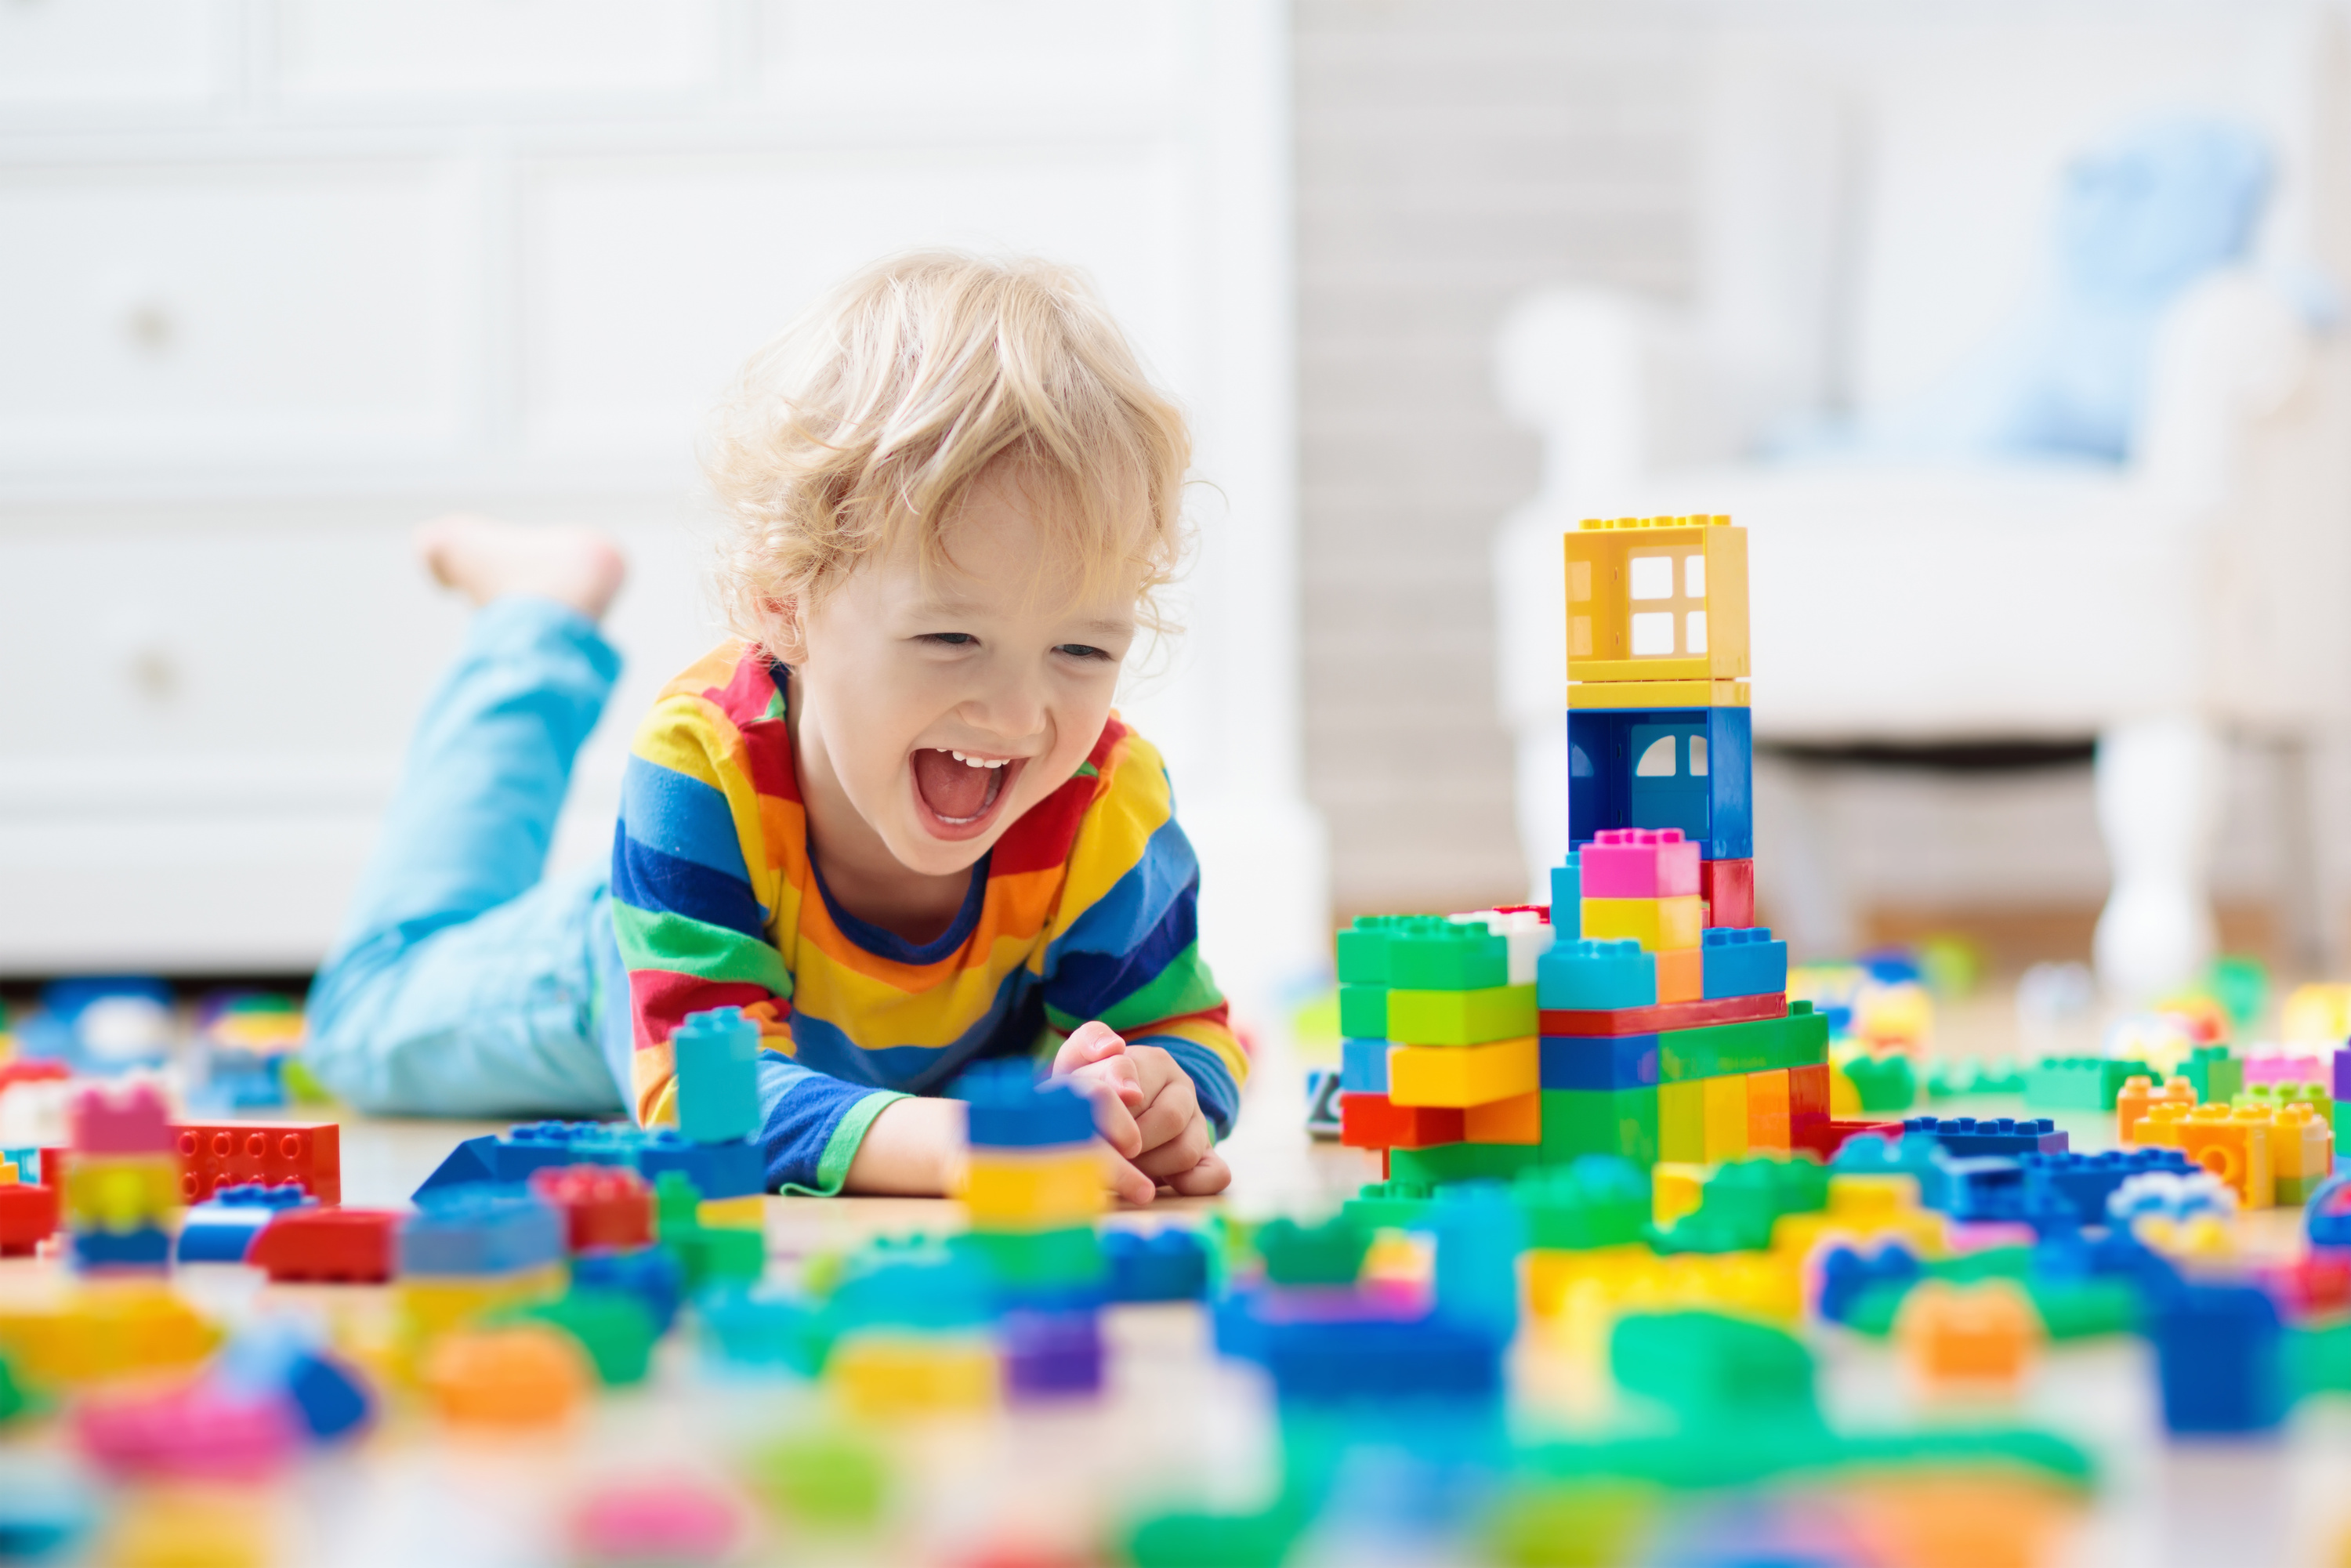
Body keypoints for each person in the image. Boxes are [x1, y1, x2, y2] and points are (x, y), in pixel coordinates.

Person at [304, 252, 1242, 1204]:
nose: (1016, 715)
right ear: (784, 603)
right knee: (362, 1016)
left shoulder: (1105, 801)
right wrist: (961, 1145)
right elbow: (704, 1096)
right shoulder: (701, 764)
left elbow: (1186, 1033)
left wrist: (1160, 1093)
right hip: (623, 957)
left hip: (815, 1027)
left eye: (1081, 650)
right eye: (950, 637)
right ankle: (534, 624)